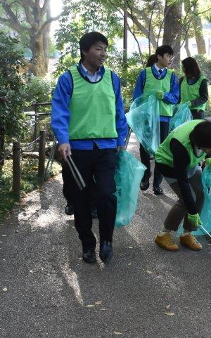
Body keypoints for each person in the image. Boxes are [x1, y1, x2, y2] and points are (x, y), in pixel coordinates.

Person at [51, 31, 128, 264]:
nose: (103, 53)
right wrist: (63, 139)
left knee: (106, 194)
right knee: (81, 199)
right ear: (85, 51)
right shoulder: (68, 79)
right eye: (98, 49)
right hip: (77, 151)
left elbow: (119, 112)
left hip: (106, 148)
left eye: (105, 49)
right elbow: (60, 111)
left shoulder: (112, 79)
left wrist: (121, 139)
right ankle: (87, 244)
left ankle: (107, 241)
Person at [153, 119, 211, 251]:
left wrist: (208, 158)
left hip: (189, 163)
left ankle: (186, 234)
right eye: (210, 148)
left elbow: (210, 145)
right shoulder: (180, 145)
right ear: (199, 143)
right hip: (169, 165)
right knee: (186, 199)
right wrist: (193, 212)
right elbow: (183, 181)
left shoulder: (208, 130)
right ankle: (163, 234)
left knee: (201, 193)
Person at [132, 45, 180, 195]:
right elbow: (137, 97)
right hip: (147, 117)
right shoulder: (144, 74)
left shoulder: (172, 76)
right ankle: (146, 176)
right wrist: (138, 115)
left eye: (172, 56)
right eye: (168, 56)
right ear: (159, 56)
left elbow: (176, 98)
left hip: (164, 117)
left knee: (161, 150)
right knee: (145, 147)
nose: (170, 59)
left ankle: (157, 183)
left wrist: (165, 96)